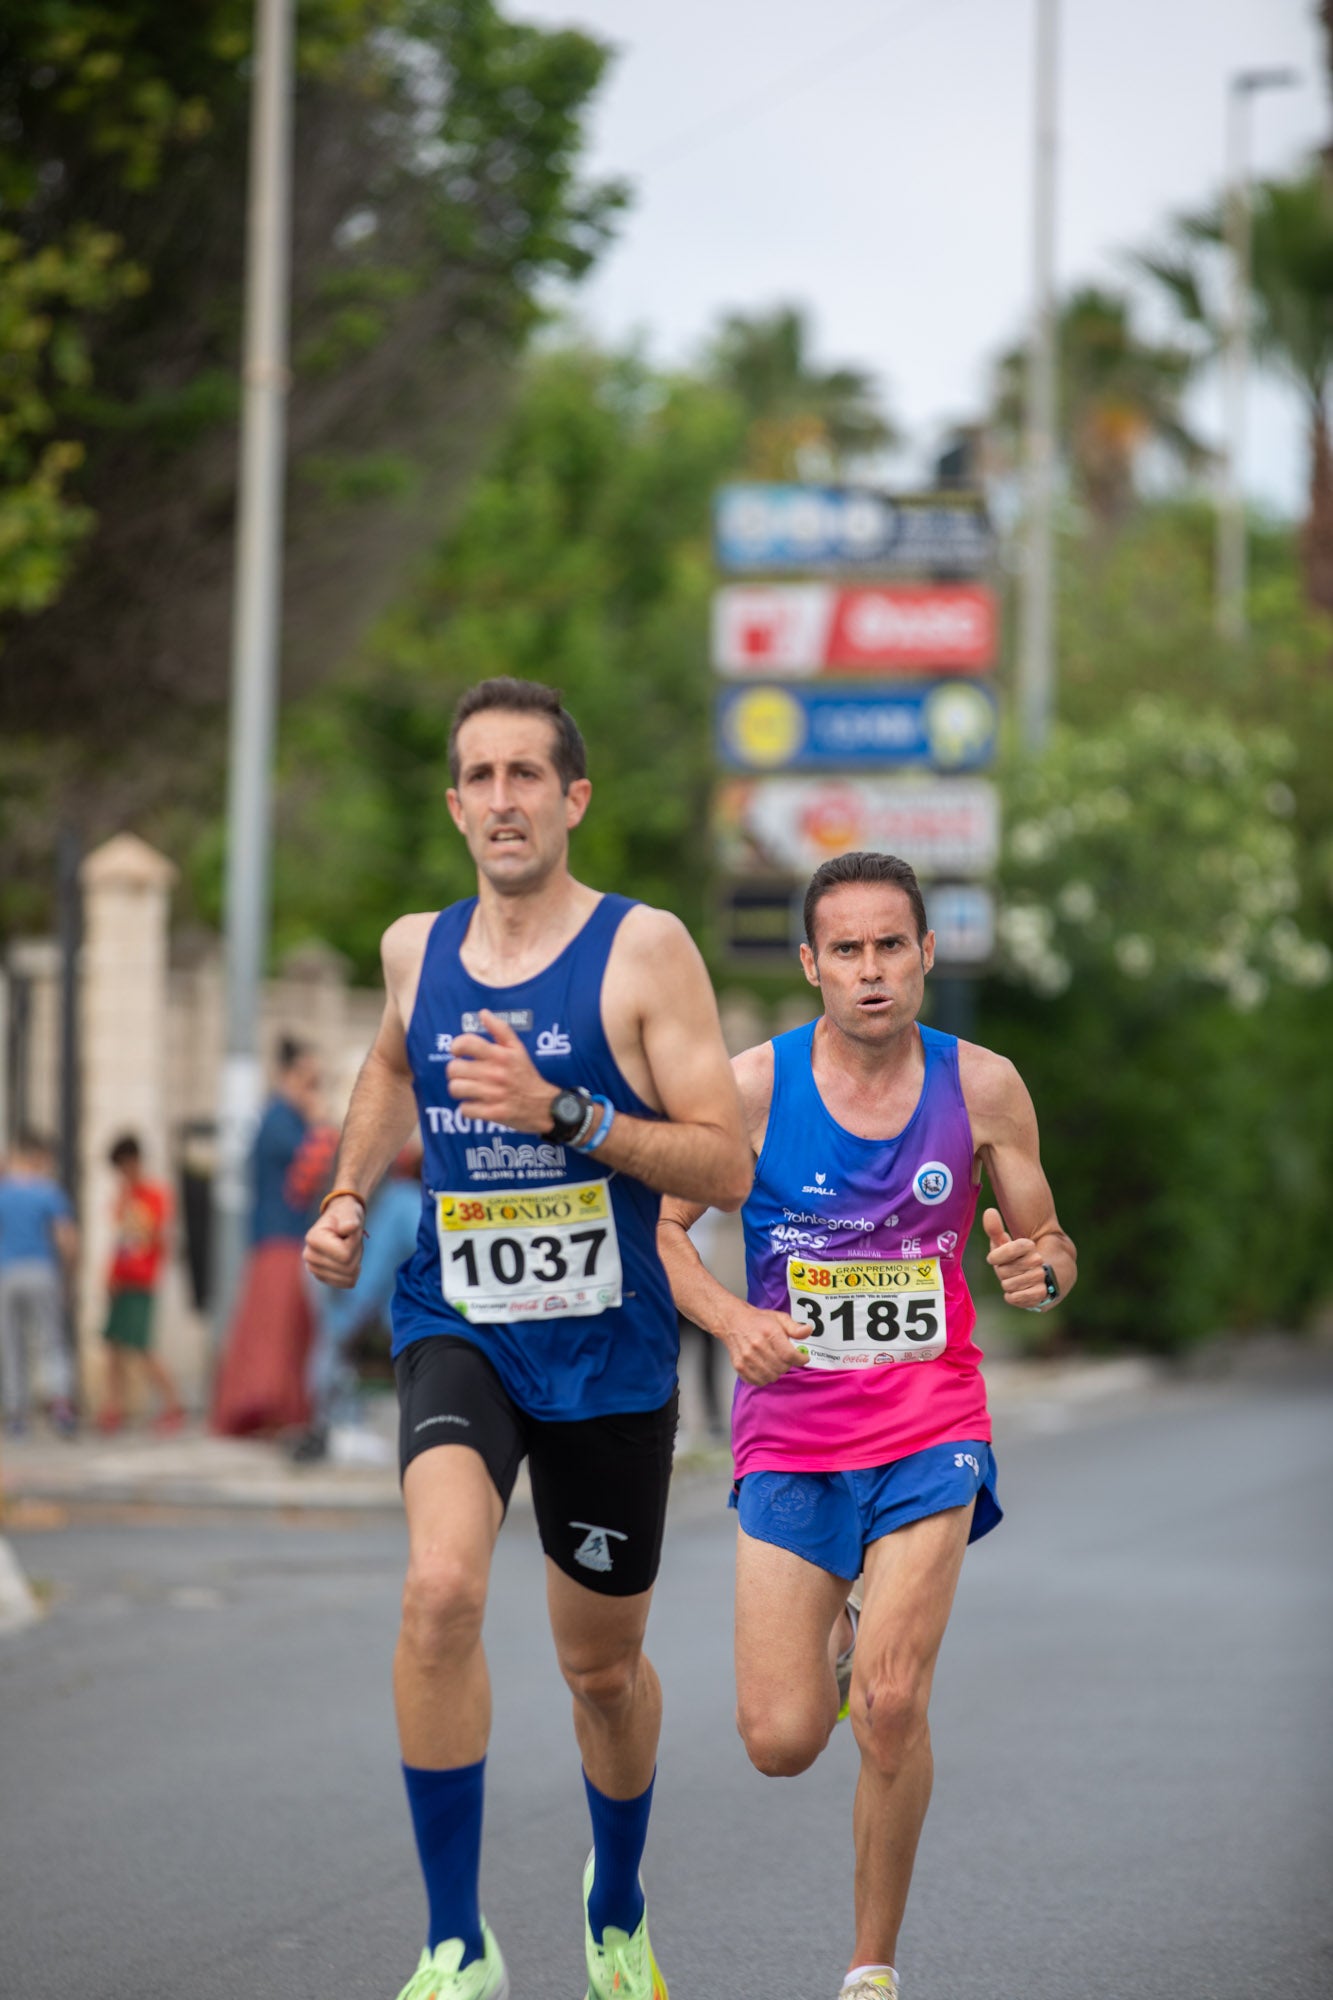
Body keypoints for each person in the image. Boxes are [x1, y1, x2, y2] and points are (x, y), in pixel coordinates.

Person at [303, 676, 751, 2000]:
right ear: (455, 806)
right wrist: (345, 1189)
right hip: (461, 1321)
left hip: (608, 1349)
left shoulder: (644, 951)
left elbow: (722, 1163)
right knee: (439, 1588)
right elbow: (391, 1064)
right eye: (479, 778)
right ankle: (455, 1942)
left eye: (525, 776)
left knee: (599, 1671)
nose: (502, 799)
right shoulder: (412, 950)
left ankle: (615, 1897)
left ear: (573, 800)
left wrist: (568, 1114)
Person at [658, 850, 1078, 2000]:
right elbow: (661, 1234)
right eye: (845, 949)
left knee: (890, 1703)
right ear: (809, 965)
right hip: (791, 1431)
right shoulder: (746, 1089)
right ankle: (841, 1615)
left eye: (891, 944)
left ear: (926, 953)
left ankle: (869, 1965)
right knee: (782, 1736)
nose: (871, 969)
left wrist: (1035, 1266)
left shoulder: (983, 1085)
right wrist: (734, 1314)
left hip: (930, 1418)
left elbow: (1048, 1250)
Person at [211, 1039, 337, 1436]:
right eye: (307, 1079)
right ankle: (267, 1411)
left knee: (284, 1330)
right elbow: (310, 1172)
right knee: (275, 1332)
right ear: (286, 1076)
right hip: (279, 1241)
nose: (313, 1090)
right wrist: (322, 1126)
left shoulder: (283, 1119)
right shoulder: (281, 1121)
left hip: (285, 1238)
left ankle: (279, 1412)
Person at [95, 1134, 185, 1433]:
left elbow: (155, 1240)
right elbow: (120, 1244)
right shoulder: (124, 1196)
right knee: (113, 1347)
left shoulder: (154, 1195)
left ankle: (173, 1405)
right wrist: (110, 1277)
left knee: (142, 1348)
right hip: (122, 1282)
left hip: (141, 1282)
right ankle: (113, 1408)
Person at [0, 1131, 79, 1436]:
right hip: (41, 1269)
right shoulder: (48, 1191)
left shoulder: (3, 1192)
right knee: (52, 1341)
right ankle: (60, 1406)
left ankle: (17, 1414)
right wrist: (68, 1277)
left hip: (7, 1272)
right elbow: (66, 1238)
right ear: (38, 1157)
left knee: (12, 1344)